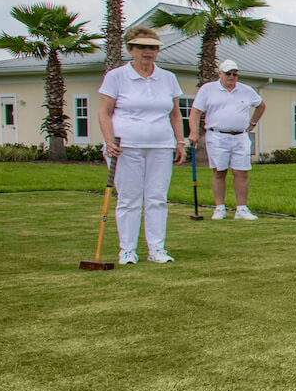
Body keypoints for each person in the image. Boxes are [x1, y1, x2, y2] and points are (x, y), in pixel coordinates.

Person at [97, 25, 186, 264]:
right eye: (142, 47)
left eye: (153, 48)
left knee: (157, 197)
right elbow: (104, 112)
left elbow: (175, 114)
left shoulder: (168, 78)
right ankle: (127, 250)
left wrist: (180, 142)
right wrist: (108, 140)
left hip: (161, 145)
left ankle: (157, 249)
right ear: (131, 49)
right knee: (129, 198)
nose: (148, 52)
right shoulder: (116, 76)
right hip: (125, 147)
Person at [186, 59, 266, 220]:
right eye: (228, 74)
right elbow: (195, 112)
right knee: (219, 171)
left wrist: (252, 124)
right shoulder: (208, 89)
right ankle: (219, 207)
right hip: (217, 135)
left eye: (234, 74)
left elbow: (261, 105)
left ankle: (241, 209)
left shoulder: (246, 90)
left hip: (240, 136)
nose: (231, 77)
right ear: (219, 74)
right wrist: (193, 132)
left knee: (241, 172)